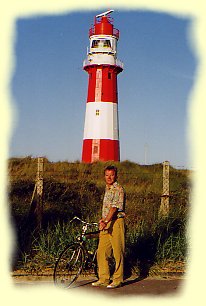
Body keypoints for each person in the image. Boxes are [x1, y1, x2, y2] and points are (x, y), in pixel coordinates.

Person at [92, 165, 126, 289]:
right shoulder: (108, 188)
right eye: (107, 175)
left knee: (118, 251)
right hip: (106, 222)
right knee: (102, 251)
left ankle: (117, 279)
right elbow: (107, 208)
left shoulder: (118, 189)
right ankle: (103, 278)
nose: (109, 177)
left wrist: (106, 220)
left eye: (111, 175)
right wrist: (103, 219)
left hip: (116, 222)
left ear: (116, 176)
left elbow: (114, 208)